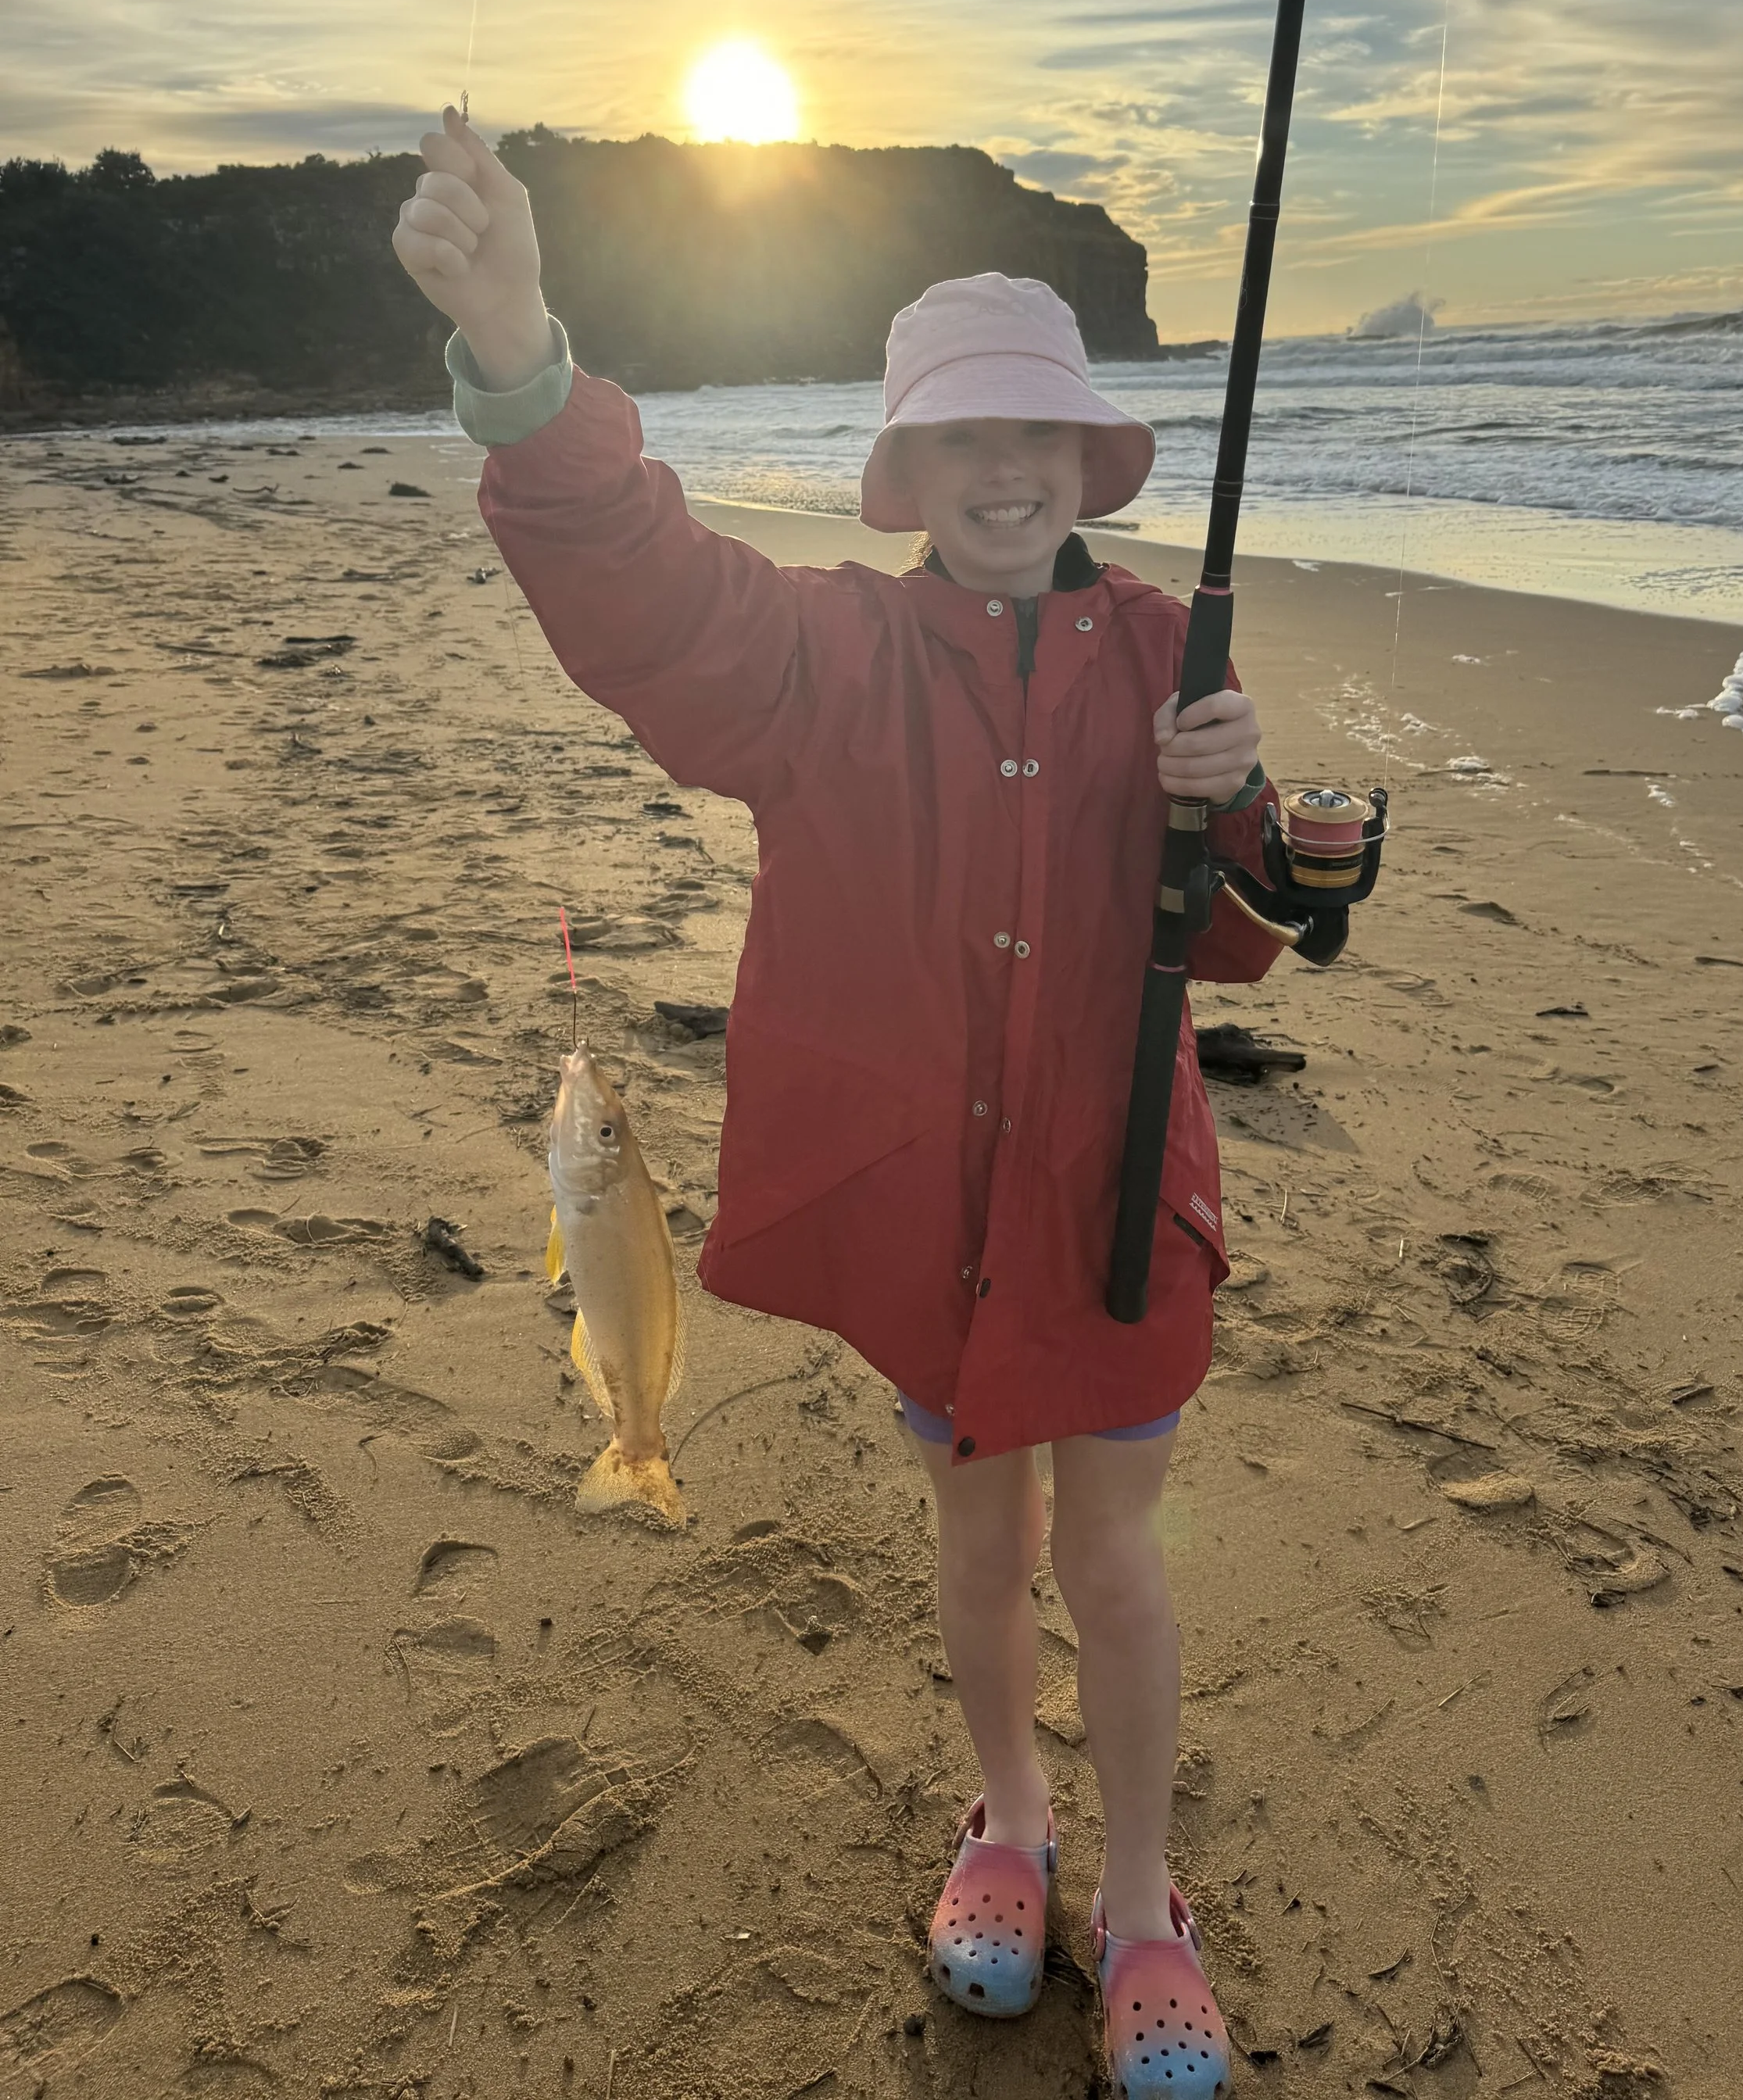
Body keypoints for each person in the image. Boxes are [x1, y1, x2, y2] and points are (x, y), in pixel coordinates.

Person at [394, 108, 1290, 2099]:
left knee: (1113, 1561)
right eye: (963, 439)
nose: (1002, 470)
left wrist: (1240, 816)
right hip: (923, 1217)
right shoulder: (825, 656)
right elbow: (648, 595)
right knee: (975, 1544)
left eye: (1035, 437)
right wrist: (527, 364)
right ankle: (1009, 1821)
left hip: (1117, 1194)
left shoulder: (1165, 649)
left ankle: (1143, 1900)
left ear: (1081, 459)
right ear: (906, 475)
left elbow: (1229, 943)